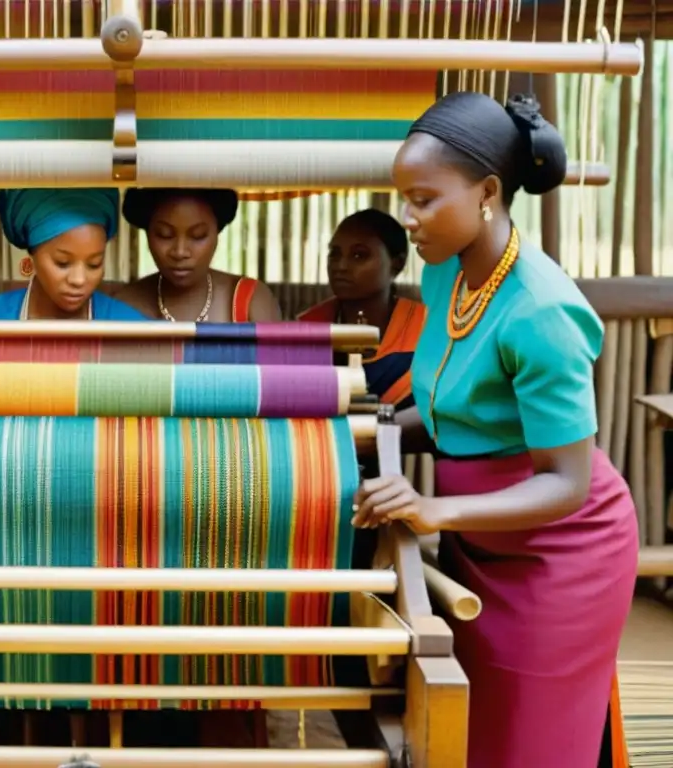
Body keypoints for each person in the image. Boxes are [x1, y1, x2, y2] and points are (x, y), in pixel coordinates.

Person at [353, 91, 638, 768]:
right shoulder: (449, 270)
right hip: (483, 542)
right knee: (470, 735)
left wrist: (433, 507)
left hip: (560, 554)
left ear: (486, 192)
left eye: (423, 199)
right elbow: (459, 411)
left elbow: (566, 482)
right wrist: (374, 430)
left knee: (527, 745)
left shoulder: (541, 312)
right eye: (404, 197)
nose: (408, 217)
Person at [0, 188, 146, 322]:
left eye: (94, 264)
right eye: (62, 263)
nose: (78, 280)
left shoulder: (130, 326)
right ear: (32, 253)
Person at [298, 208, 426, 409]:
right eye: (335, 254)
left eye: (359, 255)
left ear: (397, 264)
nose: (341, 266)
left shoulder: (426, 329)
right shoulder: (306, 330)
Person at [115, 188, 282, 322]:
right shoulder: (122, 306)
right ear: (148, 233)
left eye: (198, 235)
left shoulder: (250, 302)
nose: (180, 252)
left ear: (217, 232)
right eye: (164, 234)